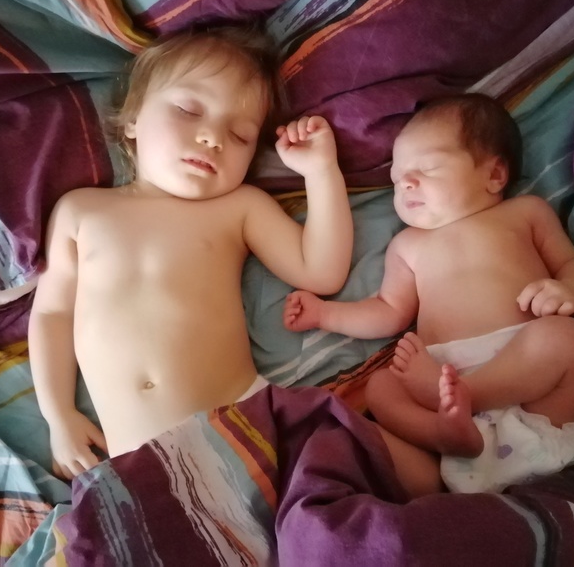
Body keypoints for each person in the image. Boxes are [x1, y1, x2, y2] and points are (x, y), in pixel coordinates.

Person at [27, 24, 359, 482]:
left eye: (240, 135)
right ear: (133, 118)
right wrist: (58, 415)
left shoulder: (238, 207)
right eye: (188, 110)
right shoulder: (81, 210)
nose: (213, 137)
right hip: (135, 467)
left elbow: (322, 273)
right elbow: (51, 315)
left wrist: (321, 173)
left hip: (242, 431)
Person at [283, 93, 574, 493]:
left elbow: (573, 265)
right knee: (381, 386)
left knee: (567, 339)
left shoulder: (526, 213)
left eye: (428, 168)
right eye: (397, 179)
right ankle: (439, 435)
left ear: (494, 175)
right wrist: (325, 314)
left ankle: (464, 398)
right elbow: (388, 310)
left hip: (534, 399)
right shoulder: (407, 245)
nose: (406, 183)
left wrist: (571, 289)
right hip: (453, 413)